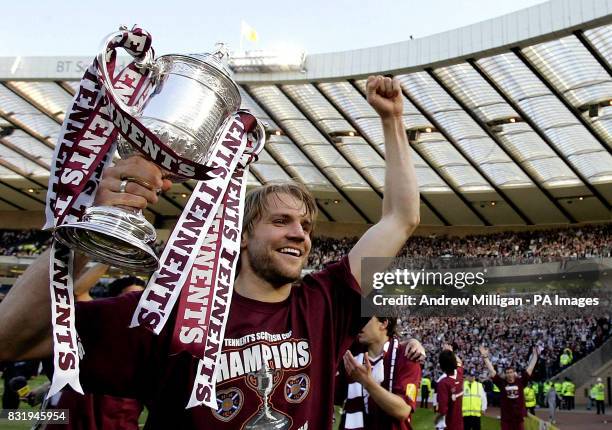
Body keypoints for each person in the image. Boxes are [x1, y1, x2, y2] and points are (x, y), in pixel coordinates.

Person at [0, 75, 423, 429]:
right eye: (280, 222)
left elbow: (401, 218)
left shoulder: (326, 303)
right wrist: (90, 225)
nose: (299, 234)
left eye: (306, 225)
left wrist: (394, 119)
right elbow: (10, 341)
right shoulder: (166, 315)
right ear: (239, 235)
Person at [339, 316, 421, 429]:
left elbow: (403, 410)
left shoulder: (406, 356)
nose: (359, 324)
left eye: (365, 319)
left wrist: (366, 382)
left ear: (384, 323)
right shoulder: (350, 354)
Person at [479, 345, 538, 430]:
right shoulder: (502, 383)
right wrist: (485, 357)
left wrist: (535, 356)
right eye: (507, 372)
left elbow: (530, 369)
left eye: (511, 372)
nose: (509, 374)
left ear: (514, 373)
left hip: (518, 419)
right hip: (506, 420)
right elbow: (492, 371)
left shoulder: (520, 382)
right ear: (505, 374)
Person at [434, 345, 463, 430]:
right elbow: (460, 363)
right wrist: (451, 353)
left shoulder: (443, 383)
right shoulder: (460, 375)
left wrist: (436, 421)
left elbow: (443, 410)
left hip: (449, 426)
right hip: (460, 425)